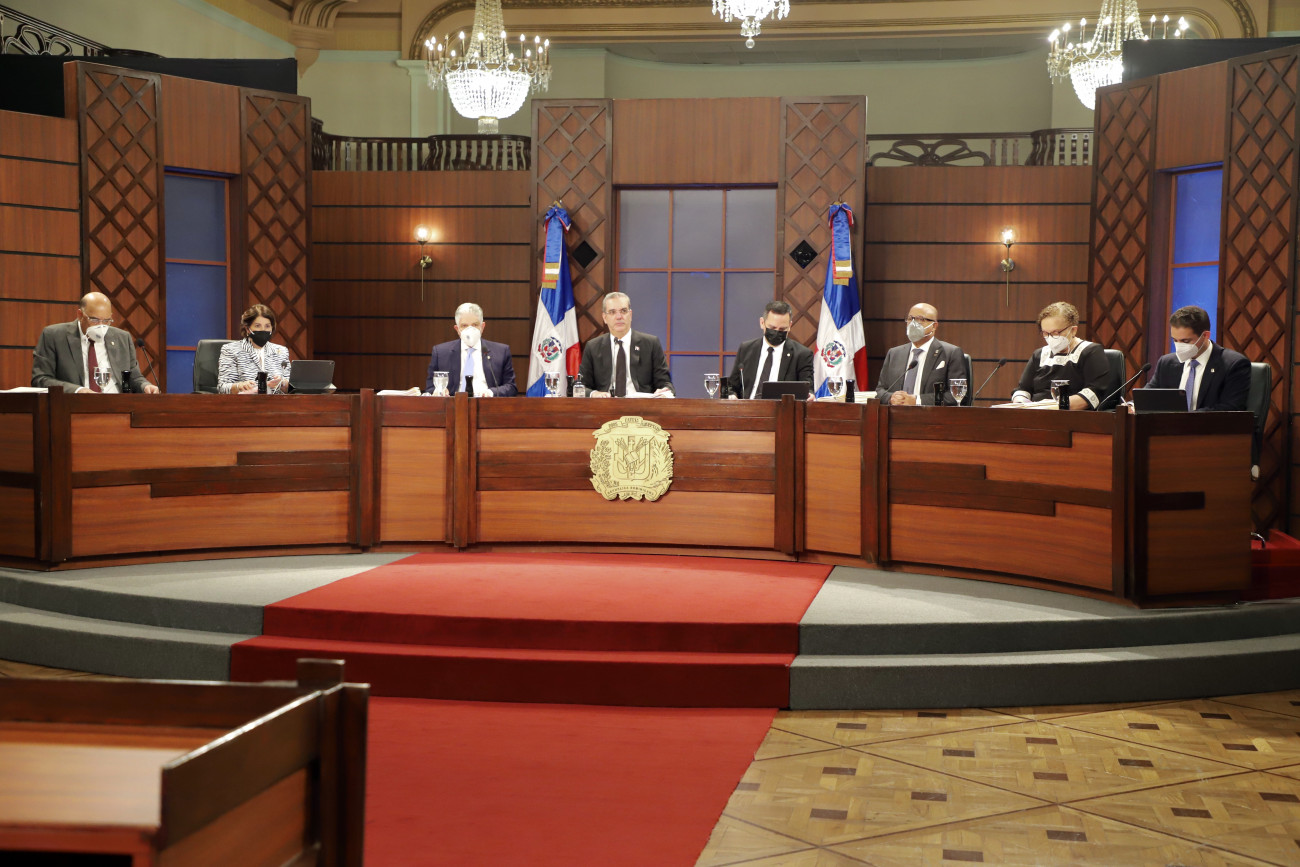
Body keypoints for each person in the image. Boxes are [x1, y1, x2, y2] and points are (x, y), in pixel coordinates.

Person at [32, 292, 160, 394]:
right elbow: (41, 379)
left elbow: (132, 378)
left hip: (118, 408)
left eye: (107, 321)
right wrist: (77, 390)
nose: (101, 326)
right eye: (94, 320)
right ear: (80, 315)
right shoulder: (54, 336)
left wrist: (145, 386)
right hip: (74, 407)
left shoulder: (122, 338)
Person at [1143, 305, 1250, 411]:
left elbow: (1230, 408)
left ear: (1205, 336)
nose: (1179, 346)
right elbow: (1147, 397)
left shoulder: (1233, 364)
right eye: (1175, 340)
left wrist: (1185, 418)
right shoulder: (1166, 363)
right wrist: (1135, 405)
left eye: (1185, 341)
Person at [1012, 301, 1114, 410]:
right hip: (1035, 413)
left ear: (1073, 330)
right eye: (1045, 333)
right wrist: (1020, 403)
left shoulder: (1090, 352)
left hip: (1072, 414)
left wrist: (1052, 407)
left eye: (1056, 333)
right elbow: (1022, 389)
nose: (1050, 338)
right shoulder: (1039, 354)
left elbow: (1093, 393)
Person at [577, 292, 674, 397]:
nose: (619, 317)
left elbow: (666, 383)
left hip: (641, 404)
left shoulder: (651, 344)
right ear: (604, 318)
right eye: (612, 312)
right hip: (605, 404)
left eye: (623, 311)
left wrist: (664, 392)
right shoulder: (593, 347)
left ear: (630, 315)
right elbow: (580, 386)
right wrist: (594, 394)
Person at [873, 302, 968, 406]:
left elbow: (957, 395)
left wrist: (917, 400)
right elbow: (880, 391)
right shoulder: (894, 353)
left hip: (929, 414)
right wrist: (891, 398)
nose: (913, 323)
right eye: (910, 318)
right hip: (896, 413)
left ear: (934, 326)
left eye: (920, 319)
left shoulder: (951, 353)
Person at [424, 302, 518, 397]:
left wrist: (490, 392)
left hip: (487, 403)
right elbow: (430, 388)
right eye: (464, 326)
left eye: (475, 325)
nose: (470, 330)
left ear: (482, 327)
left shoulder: (501, 352)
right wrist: (439, 391)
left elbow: (511, 387)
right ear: (457, 329)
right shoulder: (441, 353)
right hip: (454, 404)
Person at [726, 300, 814, 399]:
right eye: (772, 328)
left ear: (790, 326)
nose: (776, 332)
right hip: (748, 406)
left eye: (782, 329)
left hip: (781, 407)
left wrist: (809, 395)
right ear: (762, 323)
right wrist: (732, 395)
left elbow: (808, 390)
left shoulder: (802, 354)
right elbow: (732, 386)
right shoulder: (746, 349)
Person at [218, 304, 292, 394]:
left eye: (267, 326)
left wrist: (283, 384)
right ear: (247, 329)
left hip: (276, 401)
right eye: (257, 326)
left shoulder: (281, 351)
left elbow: (292, 387)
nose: (263, 329)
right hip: (246, 401)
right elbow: (222, 388)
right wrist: (239, 386)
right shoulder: (231, 350)